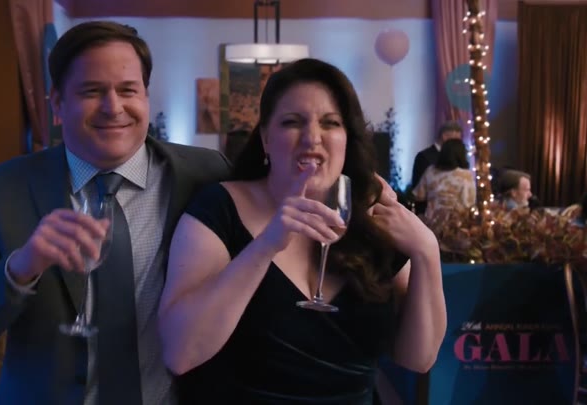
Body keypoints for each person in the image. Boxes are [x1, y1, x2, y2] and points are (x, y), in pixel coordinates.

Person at [0, 21, 232, 404]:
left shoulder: (205, 174)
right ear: (57, 103)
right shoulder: (1, 190)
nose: (113, 107)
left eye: (128, 90)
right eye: (92, 91)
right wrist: (20, 268)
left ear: (146, 96)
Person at [157, 58, 446, 404]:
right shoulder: (219, 208)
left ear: (347, 138)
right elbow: (180, 353)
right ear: (265, 138)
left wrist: (426, 251)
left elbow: (418, 357)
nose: (312, 138)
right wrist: (265, 245)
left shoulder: (372, 217)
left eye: (330, 123)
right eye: (292, 122)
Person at [411, 138, 476, 220]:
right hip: (456, 223)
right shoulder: (465, 175)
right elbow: (469, 202)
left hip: (431, 221)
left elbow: (419, 196)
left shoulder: (430, 171)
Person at [411, 121, 463, 214]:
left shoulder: (458, 159)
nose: (457, 146)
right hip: (428, 214)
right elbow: (418, 191)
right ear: (445, 136)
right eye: (455, 141)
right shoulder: (424, 157)